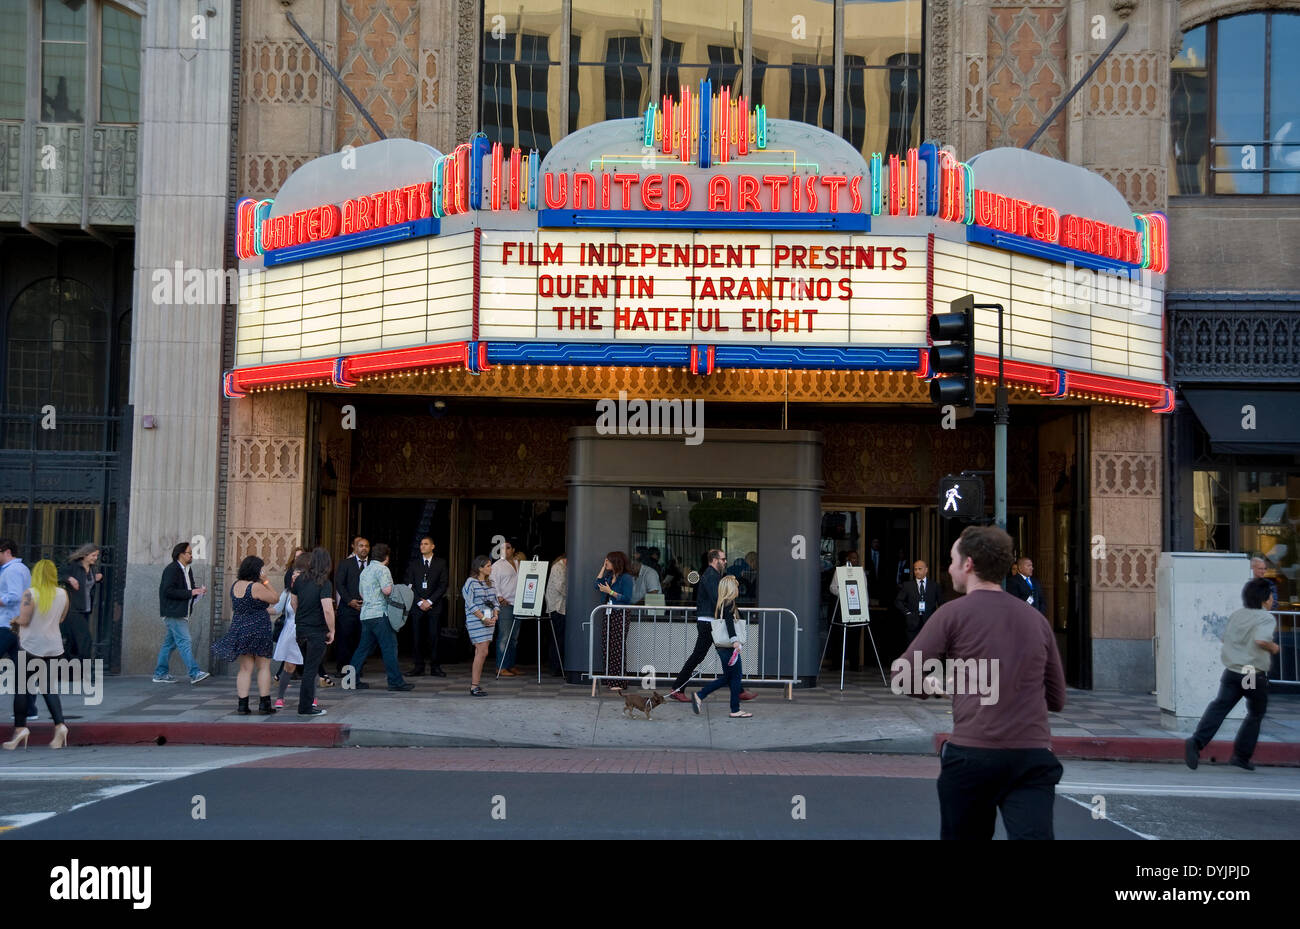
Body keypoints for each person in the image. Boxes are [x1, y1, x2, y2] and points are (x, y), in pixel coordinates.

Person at [908, 526, 1067, 840]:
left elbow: (904, 675)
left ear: (967, 565)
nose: (949, 567)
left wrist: (934, 686)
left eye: (952, 560)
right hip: (1031, 756)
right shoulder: (1037, 621)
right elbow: (1057, 697)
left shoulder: (951, 614)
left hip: (973, 755)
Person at [1184, 578, 1281, 772]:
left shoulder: (1238, 615)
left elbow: (1224, 636)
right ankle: (1241, 756)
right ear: (1264, 599)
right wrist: (1274, 647)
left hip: (1232, 670)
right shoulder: (1265, 618)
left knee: (1220, 707)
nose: (1272, 600)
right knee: (1255, 712)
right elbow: (1261, 640)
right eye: (1270, 596)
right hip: (1249, 672)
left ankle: (1196, 742)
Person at [3, 560, 70, 751]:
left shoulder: (30, 593)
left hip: (31, 646)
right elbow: (62, 618)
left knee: (23, 688)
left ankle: (20, 729)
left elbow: (23, 620)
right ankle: (60, 726)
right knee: (48, 687)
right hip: (54, 647)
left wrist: (14, 620)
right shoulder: (62, 593)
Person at [212, 555, 279, 715]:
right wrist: (266, 580)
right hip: (258, 629)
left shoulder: (235, 586)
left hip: (240, 629)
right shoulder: (255, 587)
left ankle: (242, 705)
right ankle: (264, 704)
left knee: (244, 669)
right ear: (257, 570)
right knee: (263, 667)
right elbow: (275, 598)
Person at [346, 543, 414, 691]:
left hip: (365, 615)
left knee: (362, 649)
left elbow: (362, 594)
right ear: (386, 557)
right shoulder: (383, 569)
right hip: (380, 614)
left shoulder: (365, 571)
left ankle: (350, 681)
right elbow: (387, 590)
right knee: (389, 648)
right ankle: (395, 682)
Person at [690, 575, 752, 718]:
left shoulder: (721, 604)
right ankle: (733, 709)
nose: (737, 588)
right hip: (729, 646)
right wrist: (735, 640)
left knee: (729, 677)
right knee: (735, 677)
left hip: (722, 646)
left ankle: (702, 696)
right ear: (730, 588)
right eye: (735, 586)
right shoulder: (728, 604)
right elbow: (729, 624)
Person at [153, 540, 211, 684]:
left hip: (182, 612)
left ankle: (160, 674)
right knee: (185, 641)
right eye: (189, 553)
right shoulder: (172, 569)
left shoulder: (187, 570)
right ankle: (194, 672)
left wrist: (198, 592)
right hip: (174, 612)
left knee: (169, 644)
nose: (191, 556)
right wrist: (192, 592)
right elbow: (168, 591)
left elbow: (187, 590)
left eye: (191, 553)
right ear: (180, 554)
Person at [291, 547, 336, 716]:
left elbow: (293, 603)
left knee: (307, 669)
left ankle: (306, 705)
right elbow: (327, 609)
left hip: (301, 630)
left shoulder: (300, 580)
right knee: (311, 669)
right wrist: (332, 630)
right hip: (316, 631)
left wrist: (302, 617)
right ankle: (305, 707)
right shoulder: (324, 582)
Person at [273, 552, 317, 710]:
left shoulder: (310, 591)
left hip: (306, 629)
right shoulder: (286, 593)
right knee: (289, 666)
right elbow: (276, 609)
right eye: (293, 573)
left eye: (298, 573)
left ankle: (312, 698)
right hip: (291, 632)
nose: (294, 576)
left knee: (311, 666)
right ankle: (280, 697)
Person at [0, 540, 35, 721]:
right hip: (16, 624)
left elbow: (14, 596)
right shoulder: (20, 569)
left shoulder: (12, 570)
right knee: (22, 668)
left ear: (6, 552)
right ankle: (29, 709)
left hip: (7, 623)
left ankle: (29, 708)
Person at [406, 536, 448, 677]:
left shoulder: (441, 563)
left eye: (426, 544)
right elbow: (409, 584)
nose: (422, 546)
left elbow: (443, 585)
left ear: (432, 546)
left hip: (434, 607)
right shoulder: (414, 564)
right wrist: (419, 601)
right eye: (421, 544)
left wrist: (429, 601)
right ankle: (418, 666)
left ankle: (435, 667)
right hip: (417, 606)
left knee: (434, 637)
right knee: (417, 637)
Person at [595, 551, 634, 691]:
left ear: (616, 562)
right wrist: (603, 568)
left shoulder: (626, 578)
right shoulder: (609, 575)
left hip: (620, 613)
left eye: (608, 561)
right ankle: (610, 679)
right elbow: (597, 584)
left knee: (618, 646)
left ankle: (619, 681)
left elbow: (628, 598)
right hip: (609, 613)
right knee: (608, 645)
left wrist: (610, 592)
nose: (607, 564)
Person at [463, 555, 498, 696]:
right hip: (476, 621)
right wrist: (482, 618)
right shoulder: (470, 583)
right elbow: (470, 604)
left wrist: (495, 615)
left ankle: (475, 685)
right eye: (488, 565)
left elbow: (495, 601)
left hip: (490, 621)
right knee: (483, 651)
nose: (491, 568)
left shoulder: (491, 583)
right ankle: (474, 686)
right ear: (480, 568)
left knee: (482, 652)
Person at [333, 537, 369, 676]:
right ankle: (342, 668)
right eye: (361, 546)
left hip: (366, 609)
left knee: (361, 639)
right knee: (344, 639)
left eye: (366, 546)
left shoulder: (372, 565)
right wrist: (349, 601)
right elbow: (339, 584)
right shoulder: (345, 563)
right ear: (354, 547)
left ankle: (357, 669)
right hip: (348, 608)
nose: (364, 548)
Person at [61, 543, 101, 663]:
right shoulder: (73, 566)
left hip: (86, 609)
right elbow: (59, 574)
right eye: (93, 555)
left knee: (73, 642)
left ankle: (68, 669)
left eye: (97, 556)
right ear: (85, 555)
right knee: (85, 640)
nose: (95, 558)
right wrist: (69, 579)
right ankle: (86, 670)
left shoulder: (92, 569)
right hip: (74, 609)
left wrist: (99, 578)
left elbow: (88, 586)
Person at [490, 538, 522, 676]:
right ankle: (500, 666)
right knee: (504, 636)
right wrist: (499, 597)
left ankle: (510, 665)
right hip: (505, 605)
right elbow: (493, 582)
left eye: (507, 548)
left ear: (513, 550)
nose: (504, 550)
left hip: (518, 604)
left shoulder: (518, 563)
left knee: (514, 638)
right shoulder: (497, 565)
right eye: (502, 548)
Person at [896, 559, 943, 643]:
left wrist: (937, 618)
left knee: (927, 649)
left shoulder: (935, 586)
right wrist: (907, 612)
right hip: (913, 624)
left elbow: (941, 604)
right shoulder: (907, 585)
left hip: (929, 624)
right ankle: (917, 657)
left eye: (920, 569)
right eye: (915, 569)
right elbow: (898, 601)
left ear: (926, 570)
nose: (917, 571)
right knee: (916, 652)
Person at [544, 553, 567, 677]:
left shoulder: (561, 566)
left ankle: (557, 666)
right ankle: (555, 667)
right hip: (557, 608)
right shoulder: (559, 567)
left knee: (558, 638)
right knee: (558, 638)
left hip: (559, 607)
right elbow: (561, 587)